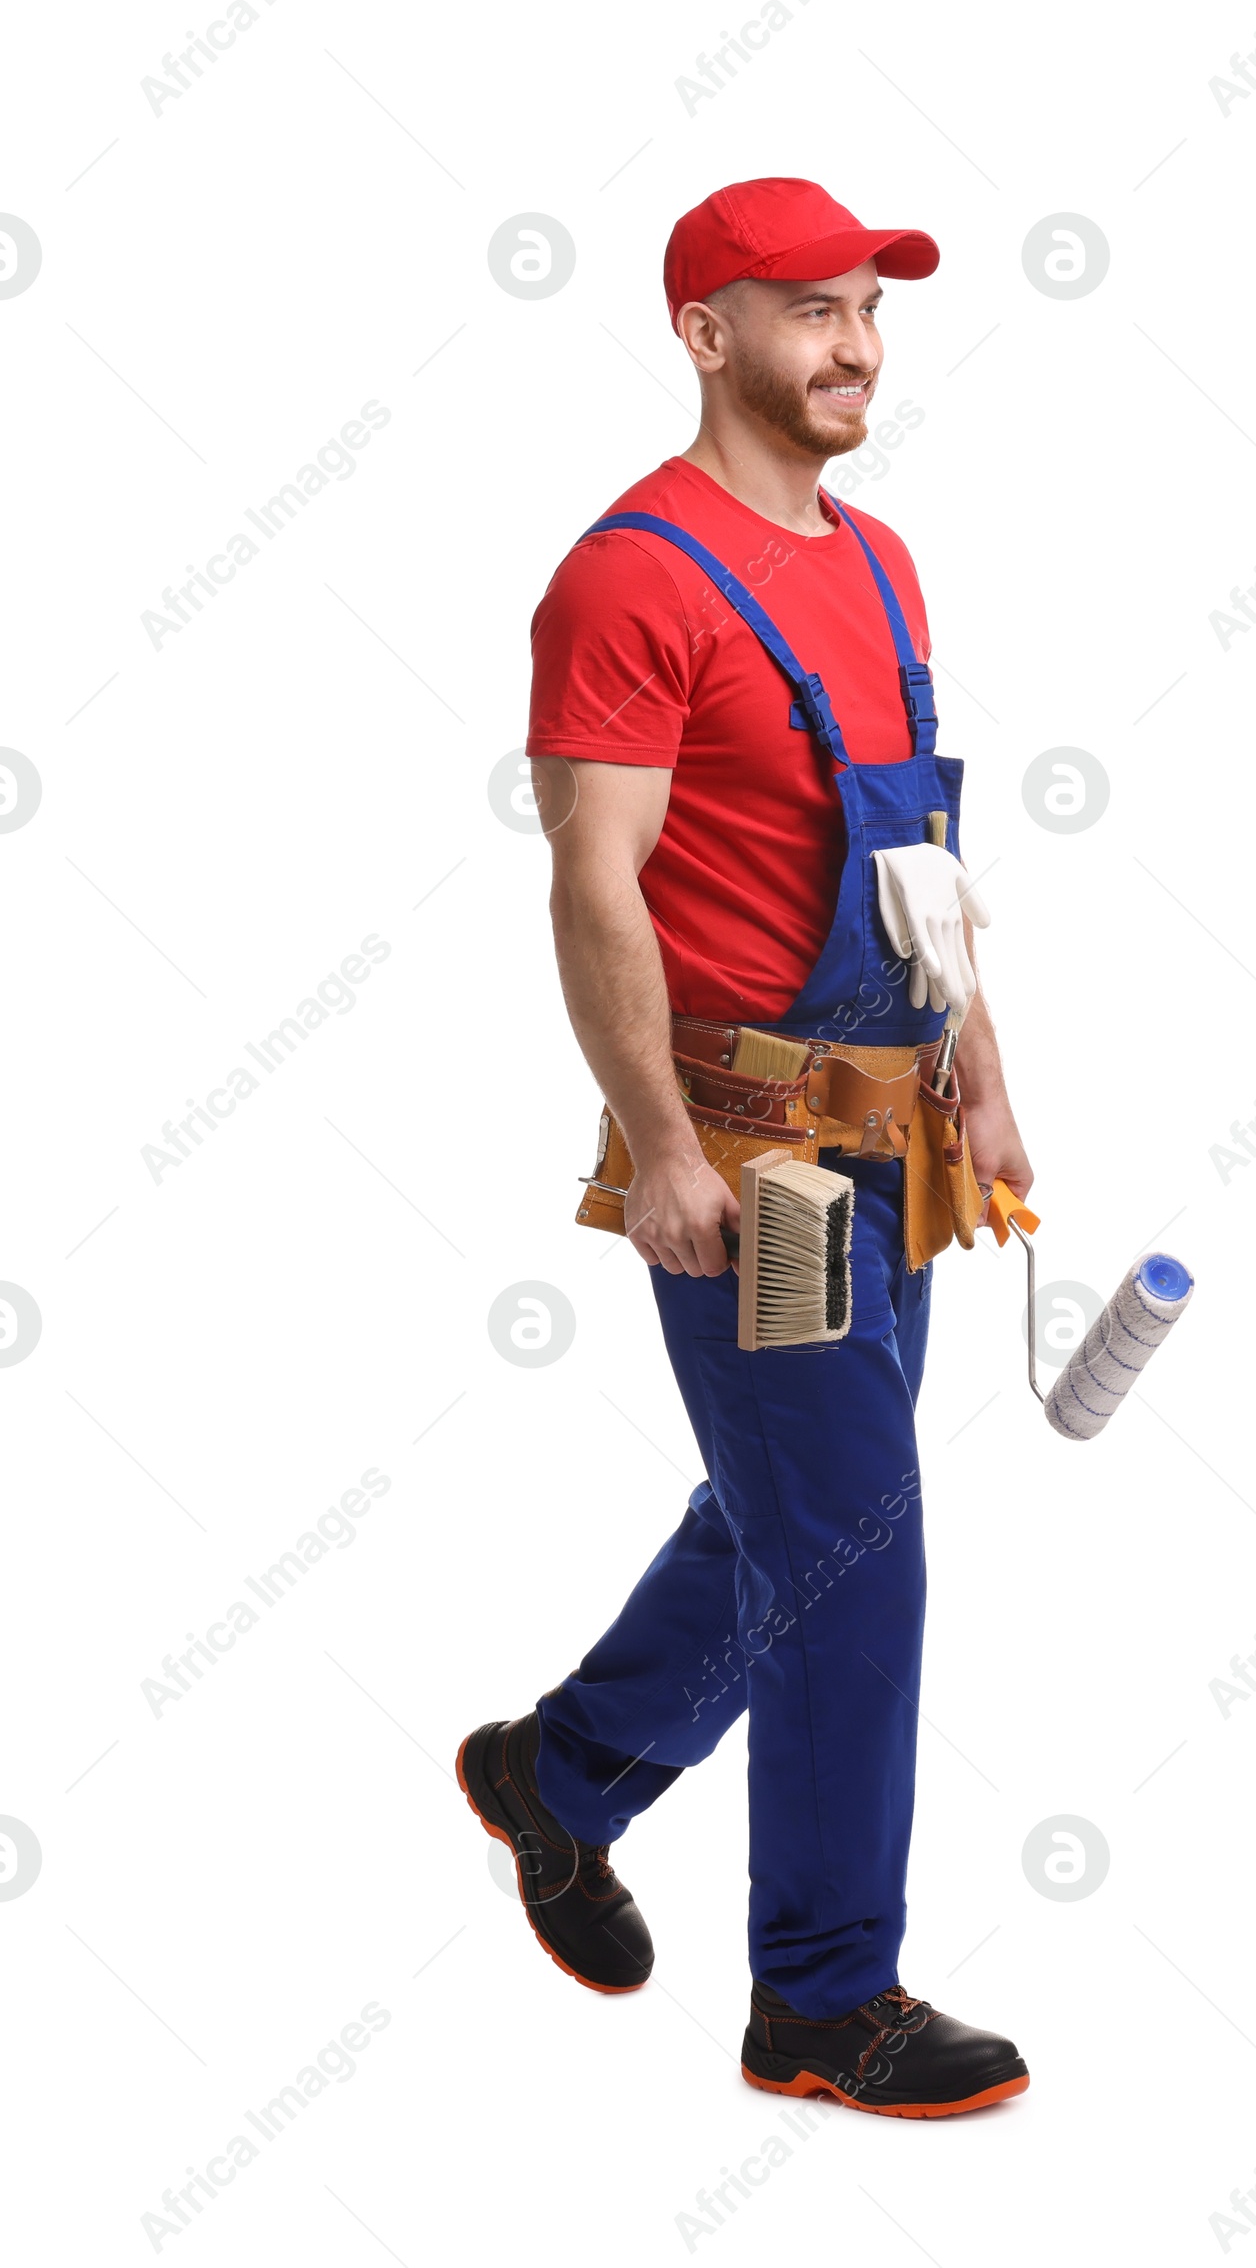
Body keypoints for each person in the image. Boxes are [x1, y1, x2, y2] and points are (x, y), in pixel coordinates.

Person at [458, 177, 1034, 2118]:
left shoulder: (875, 563)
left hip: (890, 1122)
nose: (853, 344)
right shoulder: (629, 579)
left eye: (868, 308)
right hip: (760, 1150)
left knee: (783, 1513)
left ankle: (564, 1770)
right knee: (851, 1545)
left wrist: (977, 1054)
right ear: (706, 333)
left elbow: (909, 849)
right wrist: (661, 1143)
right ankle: (820, 1996)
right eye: (807, 310)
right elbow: (593, 883)